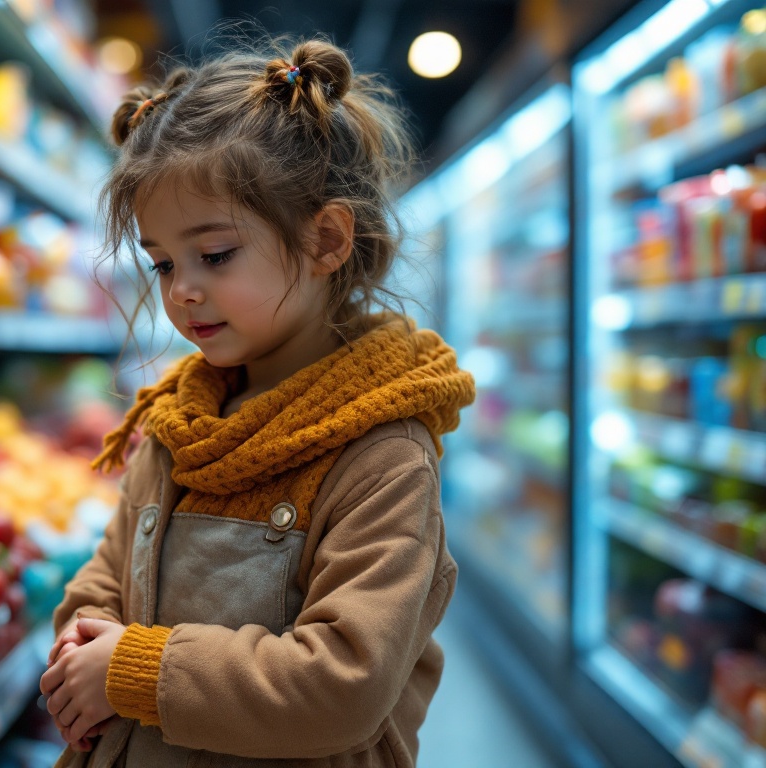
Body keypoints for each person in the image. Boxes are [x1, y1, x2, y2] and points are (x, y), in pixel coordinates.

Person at [39, 35, 475, 768]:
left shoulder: (380, 457)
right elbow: (112, 564)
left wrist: (132, 669)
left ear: (327, 239)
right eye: (164, 263)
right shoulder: (186, 420)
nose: (182, 290)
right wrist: (84, 630)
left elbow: (343, 684)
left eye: (214, 255)